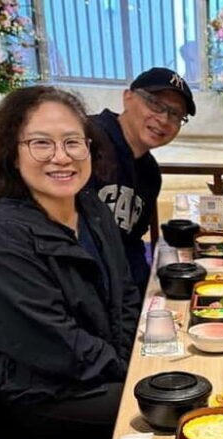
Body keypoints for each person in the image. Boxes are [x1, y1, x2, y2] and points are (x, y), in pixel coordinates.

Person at [0, 86, 141, 439]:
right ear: (11, 152)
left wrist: (132, 359)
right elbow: (53, 343)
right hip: (34, 394)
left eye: (72, 142)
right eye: (40, 143)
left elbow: (126, 292)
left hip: (100, 368)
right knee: (174, 406)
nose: (61, 157)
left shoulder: (90, 207)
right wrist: (129, 371)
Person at [90, 67, 196, 293]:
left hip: (118, 295)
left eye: (176, 114)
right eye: (155, 104)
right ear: (128, 97)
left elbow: (132, 243)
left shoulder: (149, 173)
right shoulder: (84, 142)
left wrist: (141, 296)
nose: (164, 119)